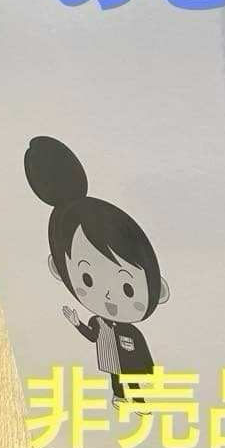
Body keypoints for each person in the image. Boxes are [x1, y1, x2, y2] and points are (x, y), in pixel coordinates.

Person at [25, 135, 169, 407]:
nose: (109, 297)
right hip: (112, 362)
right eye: (87, 279)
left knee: (130, 378)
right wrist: (77, 322)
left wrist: (149, 369)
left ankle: (137, 399)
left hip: (129, 364)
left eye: (127, 288)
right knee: (117, 378)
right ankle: (121, 397)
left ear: (158, 291)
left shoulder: (130, 331)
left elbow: (142, 353)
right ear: (59, 270)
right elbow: (92, 336)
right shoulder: (98, 322)